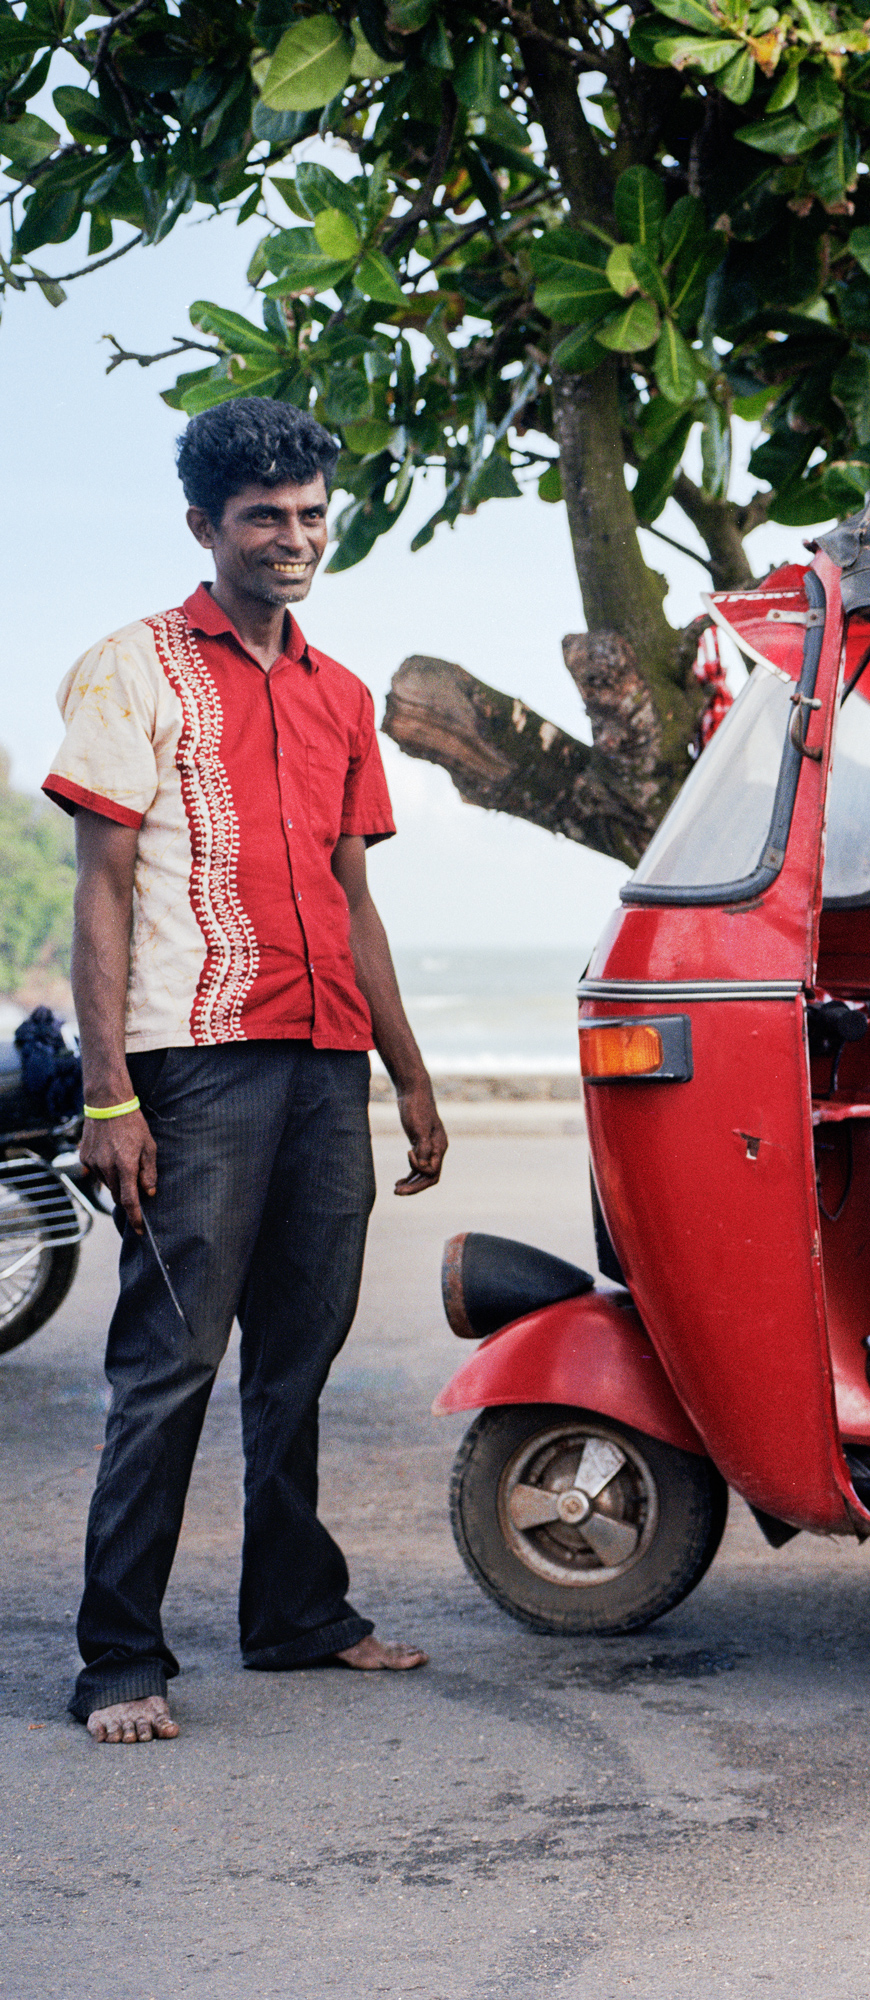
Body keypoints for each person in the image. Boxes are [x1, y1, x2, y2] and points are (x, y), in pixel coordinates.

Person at [46, 396, 447, 1745]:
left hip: (327, 1056)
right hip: (195, 1062)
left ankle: (294, 1616)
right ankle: (118, 1660)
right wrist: (109, 1095)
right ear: (204, 526)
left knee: (299, 1353)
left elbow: (353, 900)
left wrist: (412, 1072)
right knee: (169, 1360)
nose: (294, 537)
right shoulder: (135, 668)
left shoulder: (339, 694)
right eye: (264, 517)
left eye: (311, 515)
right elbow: (99, 892)